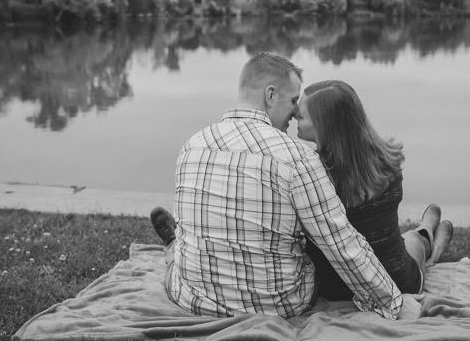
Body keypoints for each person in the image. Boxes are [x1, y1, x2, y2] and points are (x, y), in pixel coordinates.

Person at [151, 52, 421, 320]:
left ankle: (174, 246)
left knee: (188, 238)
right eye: (293, 101)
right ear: (270, 96)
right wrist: (392, 302)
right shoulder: (297, 157)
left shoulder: (192, 145)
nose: (294, 112)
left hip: (194, 299)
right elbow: (340, 241)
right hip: (278, 305)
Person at [294, 79, 453, 300]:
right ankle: (426, 232)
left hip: (340, 290)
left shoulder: (312, 175)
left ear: (323, 125)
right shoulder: (386, 159)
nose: (293, 115)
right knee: (409, 241)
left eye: (300, 114)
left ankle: (426, 233)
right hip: (398, 280)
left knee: (410, 241)